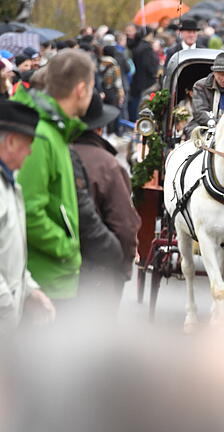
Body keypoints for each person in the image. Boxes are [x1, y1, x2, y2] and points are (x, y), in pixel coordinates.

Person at [11, 49, 93, 303]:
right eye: (92, 87)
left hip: (53, 279)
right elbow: (29, 210)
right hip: (45, 283)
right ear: (81, 89)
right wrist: (67, 249)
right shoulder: (43, 135)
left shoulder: (55, 131)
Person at [71, 94, 140, 309]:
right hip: (98, 266)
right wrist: (123, 267)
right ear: (99, 128)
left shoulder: (55, 153)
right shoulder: (108, 165)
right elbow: (124, 225)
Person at [0, 101, 56, 331]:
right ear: (11, 141)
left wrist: (30, 290)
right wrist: (7, 306)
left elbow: (9, 252)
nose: (31, 151)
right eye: (28, 144)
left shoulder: (10, 185)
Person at [186, 52, 224, 135]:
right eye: (222, 75)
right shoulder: (200, 86)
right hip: (205, 127)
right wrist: (220, 124)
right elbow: (200, 113)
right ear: (214, 73)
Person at [127, 27, 159, 121]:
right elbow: (149, 66)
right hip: (145, 82)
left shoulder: (137, 46)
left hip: (137, 81)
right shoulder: (146, 49)